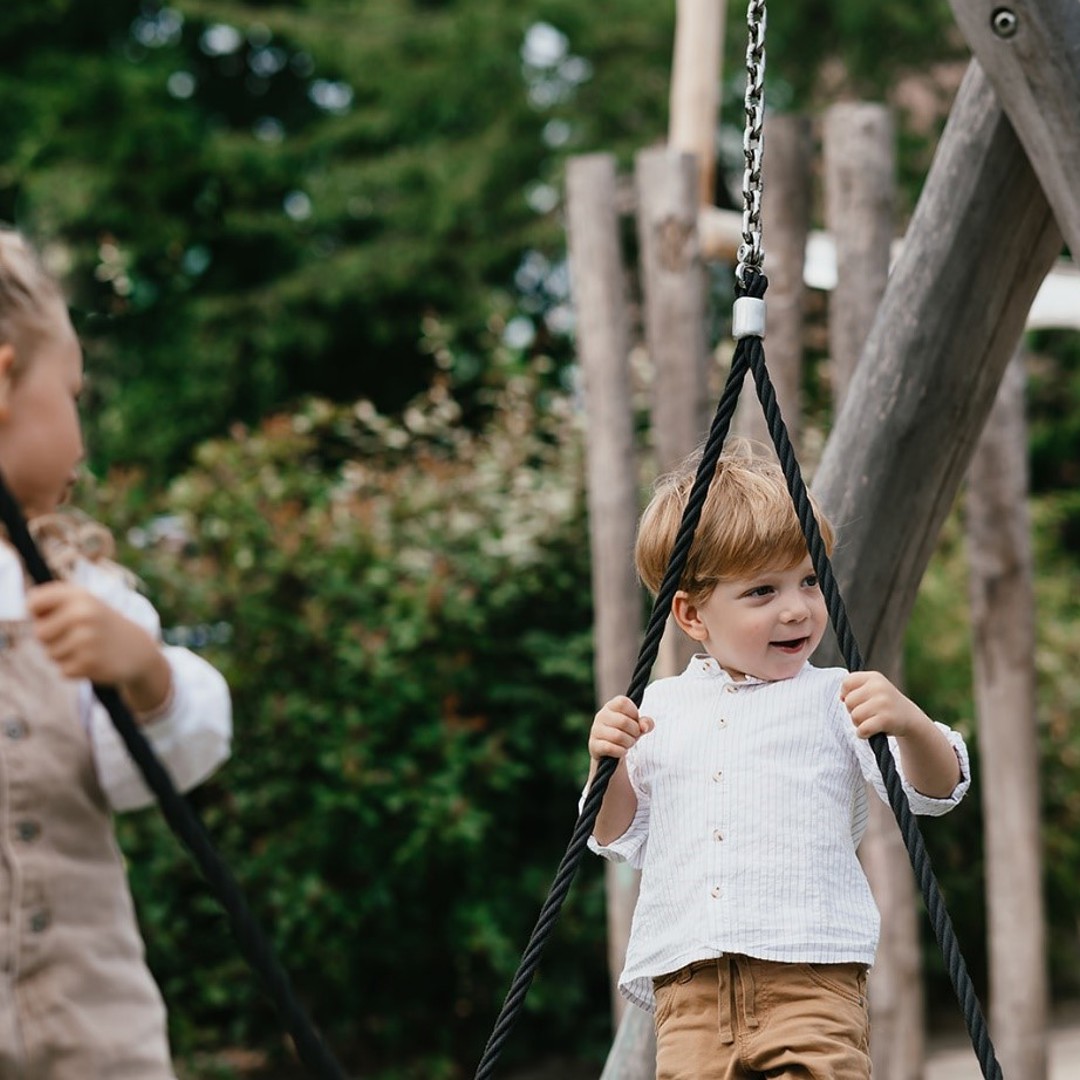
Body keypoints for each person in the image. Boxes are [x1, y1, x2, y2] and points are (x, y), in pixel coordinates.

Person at [585, 440, 969, 1080]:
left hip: (809, 977)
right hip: (688, 993)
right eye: (763, 590)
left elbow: (934, 790)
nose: (797, 608)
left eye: (810, 581)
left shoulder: (834, 697)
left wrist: (912, 724)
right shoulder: (660, 707)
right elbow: (616, 832)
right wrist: (610, 762)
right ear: (691, 613)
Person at [0, 225, 232, 1079]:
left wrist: (142, 668)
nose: (83, 440)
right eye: (71, 395)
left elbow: (160, 764)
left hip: (88, 1035)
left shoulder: (76, 586)